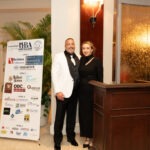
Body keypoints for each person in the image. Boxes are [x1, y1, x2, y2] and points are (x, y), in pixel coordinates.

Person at [52, 38, 80, 150]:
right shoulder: (58, 56)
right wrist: (57, 90)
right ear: (65, 45)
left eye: (72, 44)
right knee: (59, 118)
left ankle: (70, 137)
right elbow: (54, 73)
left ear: (75, 45)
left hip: (75, 92)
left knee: (72, 117)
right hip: (62, 93)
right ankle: (57, 141)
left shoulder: (79, 57)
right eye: (68, 44)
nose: (70, 46)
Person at [78, 41, 103, 148]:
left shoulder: (97, 61)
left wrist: (99, 93)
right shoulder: (81, 60)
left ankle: (93, 137)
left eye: (88, 48)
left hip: (92, 92)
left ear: (92, 49)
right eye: (83, 48)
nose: (85, 50)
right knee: (83, 115)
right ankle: (87, 137)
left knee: (91, 115)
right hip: (81, 91)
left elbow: (100, 78)